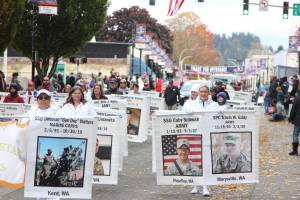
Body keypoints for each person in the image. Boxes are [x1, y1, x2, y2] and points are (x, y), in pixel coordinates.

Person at [182, 84, 218, 196]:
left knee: (206, 162)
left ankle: (205, 187)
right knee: (195, 161)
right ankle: (195, 185)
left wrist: (222, 110)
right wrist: (186, 109)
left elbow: (220, 117)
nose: (203, 93)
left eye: (205, 91)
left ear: (209, 93)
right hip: (195, 136)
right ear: (198, 92)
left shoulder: (214, 105)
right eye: (201, 91)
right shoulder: (191, 104)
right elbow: (183, 113)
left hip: (208, 137)